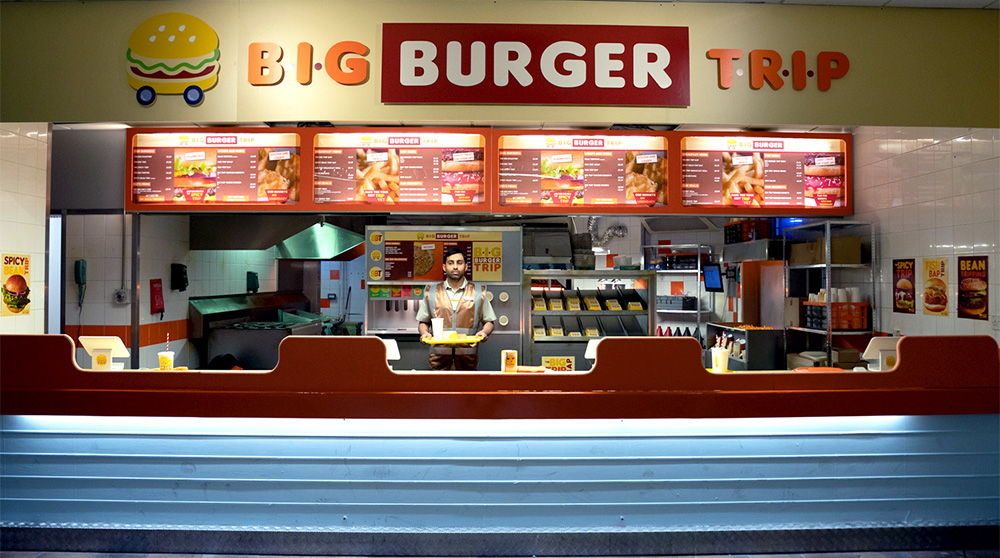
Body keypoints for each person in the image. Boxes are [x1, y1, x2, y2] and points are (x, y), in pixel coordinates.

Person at [416, 248, 495, 370]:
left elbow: (489, 321)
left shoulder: (478, 292)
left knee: (465, 383)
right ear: (444, 267)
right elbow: (423, 322)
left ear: (466, 266)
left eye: (459, 263)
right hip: (439, 359)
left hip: (467, 358)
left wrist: (484, 332)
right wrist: (424, 333)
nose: (455, 267)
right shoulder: (431, 292)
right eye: (450, 263)